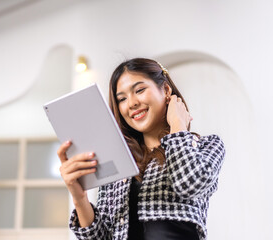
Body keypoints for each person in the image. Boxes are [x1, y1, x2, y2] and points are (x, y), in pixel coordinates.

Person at [57, 58, 225, 240]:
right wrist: (79, 196)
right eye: (122, 99)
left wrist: (177, 124)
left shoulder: (205, 146)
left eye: (139, 90)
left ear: (166, 90)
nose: (131, 103)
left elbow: (189, 184)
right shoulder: (120, 161)